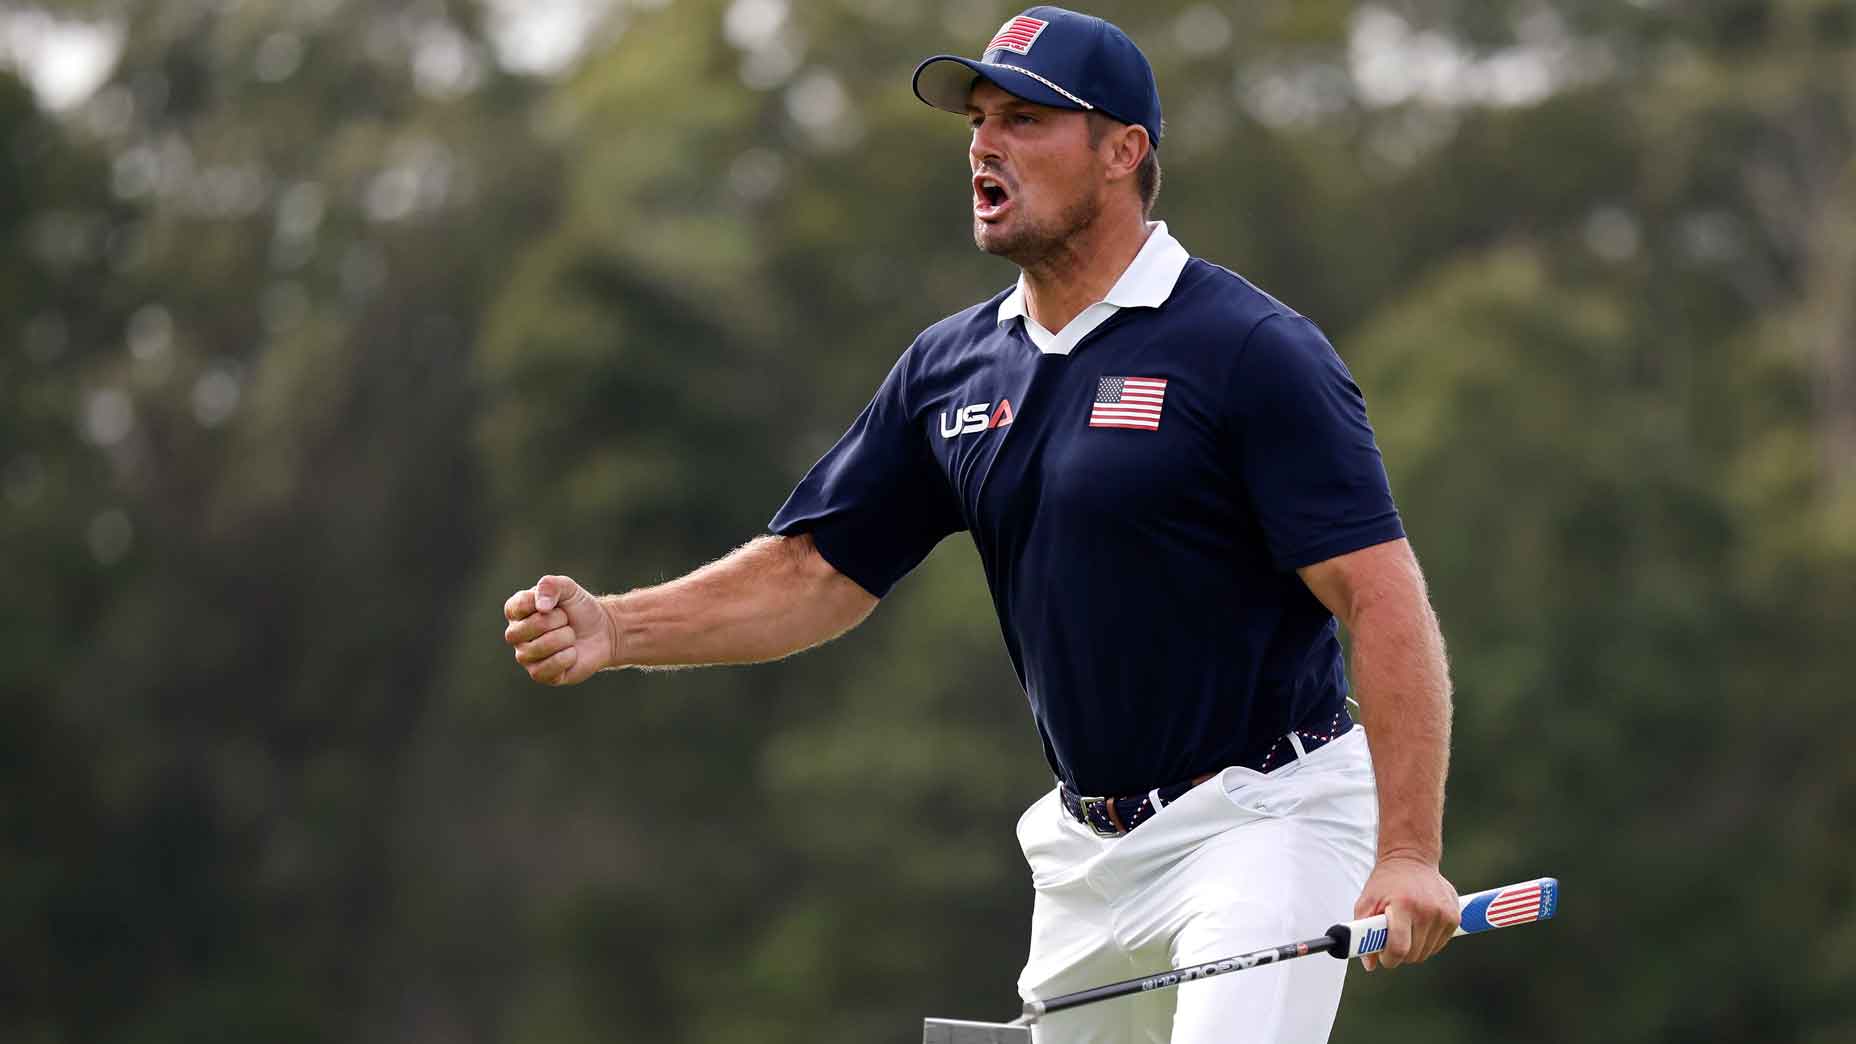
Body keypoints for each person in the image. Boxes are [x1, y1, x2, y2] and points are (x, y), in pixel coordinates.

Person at [501, 6, 1459, 1041]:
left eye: (1026, 119)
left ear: (1121, 152)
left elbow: (1377, 594)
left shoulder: (1249, 350)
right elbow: (814, 571)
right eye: (977, 121)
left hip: (1263, 824)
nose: (984, 145)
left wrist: (1405, 851)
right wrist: (617, 627)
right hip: (1084, 856)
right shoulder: (950, 368)